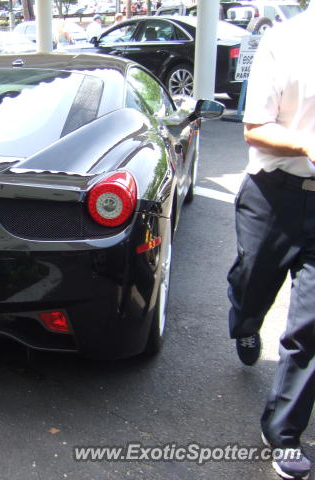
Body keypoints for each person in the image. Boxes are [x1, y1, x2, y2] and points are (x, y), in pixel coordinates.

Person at [227, 4, 315, 479]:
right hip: (272, 193)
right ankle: (243, 318)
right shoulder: (285, 41)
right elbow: (255, 129)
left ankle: (283, 431)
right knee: (252, 284)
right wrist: (305, 144)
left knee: (311, 325)